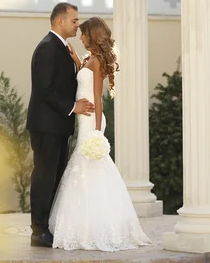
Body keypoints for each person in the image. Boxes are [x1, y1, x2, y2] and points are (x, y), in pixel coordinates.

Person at [48, 17, 152, 251]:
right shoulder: (88, 60)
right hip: (83, 118)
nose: (81, 36)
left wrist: (97, 132)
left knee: (91, 166)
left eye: (84, 33)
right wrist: (76, 61)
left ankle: (96, 227)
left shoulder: (96, 62)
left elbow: (97, 98)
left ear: (92, 35)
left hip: (91, 120)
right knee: (83, 168)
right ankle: (86, 224)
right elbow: (81, 82)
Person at [27, 2, 95, 248]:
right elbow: (44, 89)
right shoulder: (47, 48)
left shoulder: (63, 48)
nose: (78, 25)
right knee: (44, 176)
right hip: (46, 124)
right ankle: (39, 231)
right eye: (74, 21)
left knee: (55, 176)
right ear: (60, 21)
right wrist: (72, 107)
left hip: (58, 125)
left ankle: (49, 225)